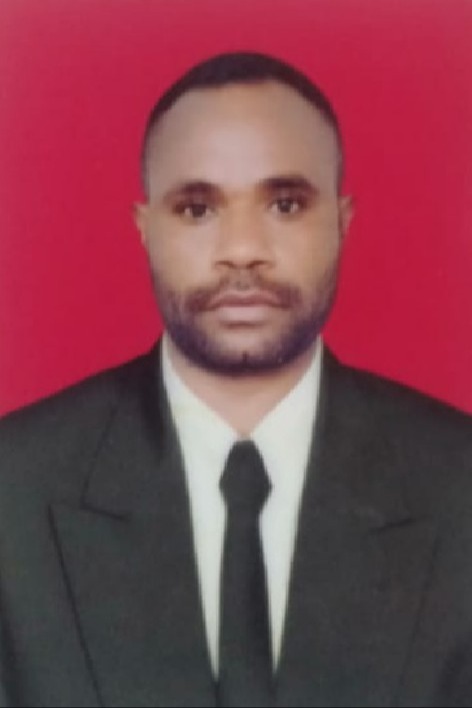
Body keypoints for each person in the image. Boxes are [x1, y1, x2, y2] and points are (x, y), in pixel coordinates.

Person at [0, 51, 471, 708]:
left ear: (342, 221)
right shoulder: (14, 488)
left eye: (285, 204)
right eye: (197, 209)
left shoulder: (459, 482)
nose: (243, 250)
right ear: (145, 230)